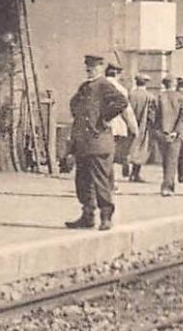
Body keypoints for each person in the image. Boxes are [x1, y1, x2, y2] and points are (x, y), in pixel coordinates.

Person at [66, 54, 139, 231]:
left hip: (99, 142)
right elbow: (75, 105)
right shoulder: (85, 87)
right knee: (82, 182)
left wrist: (104, 117)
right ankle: (87, 216)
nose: (89, 70)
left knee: (101, 182)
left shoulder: (105, 85)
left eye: (93, 68)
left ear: (100, 68)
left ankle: (106, 217)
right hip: (83, 143)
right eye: (88, 68)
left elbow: (121, 102)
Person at [147, 76, 183, 196]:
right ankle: (168, 187)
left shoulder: (159, 97)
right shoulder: (181, 98)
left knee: (166, 160)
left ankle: (168, 183)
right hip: (176, 135)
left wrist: (157, 130)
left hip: (161, 133)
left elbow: (152, 115)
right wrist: (176, 131)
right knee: (172, 160)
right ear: (174, 84)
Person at [125, 73, 155, 182]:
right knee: (141, 149)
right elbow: (152, 114)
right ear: (145, 83)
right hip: (143, 126)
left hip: (129, 125)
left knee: (129, 147)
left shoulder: (131, 94)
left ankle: (127, 165)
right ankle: (135, 173)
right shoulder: (149, 96)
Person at [105, 63, 132, 177]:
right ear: (116, 74)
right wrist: (132, 126)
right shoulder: (121, 89)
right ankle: (112, 181)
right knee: (113, 154)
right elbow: (126, 111)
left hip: (100, 125)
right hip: (117, 126)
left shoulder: (98, 85)